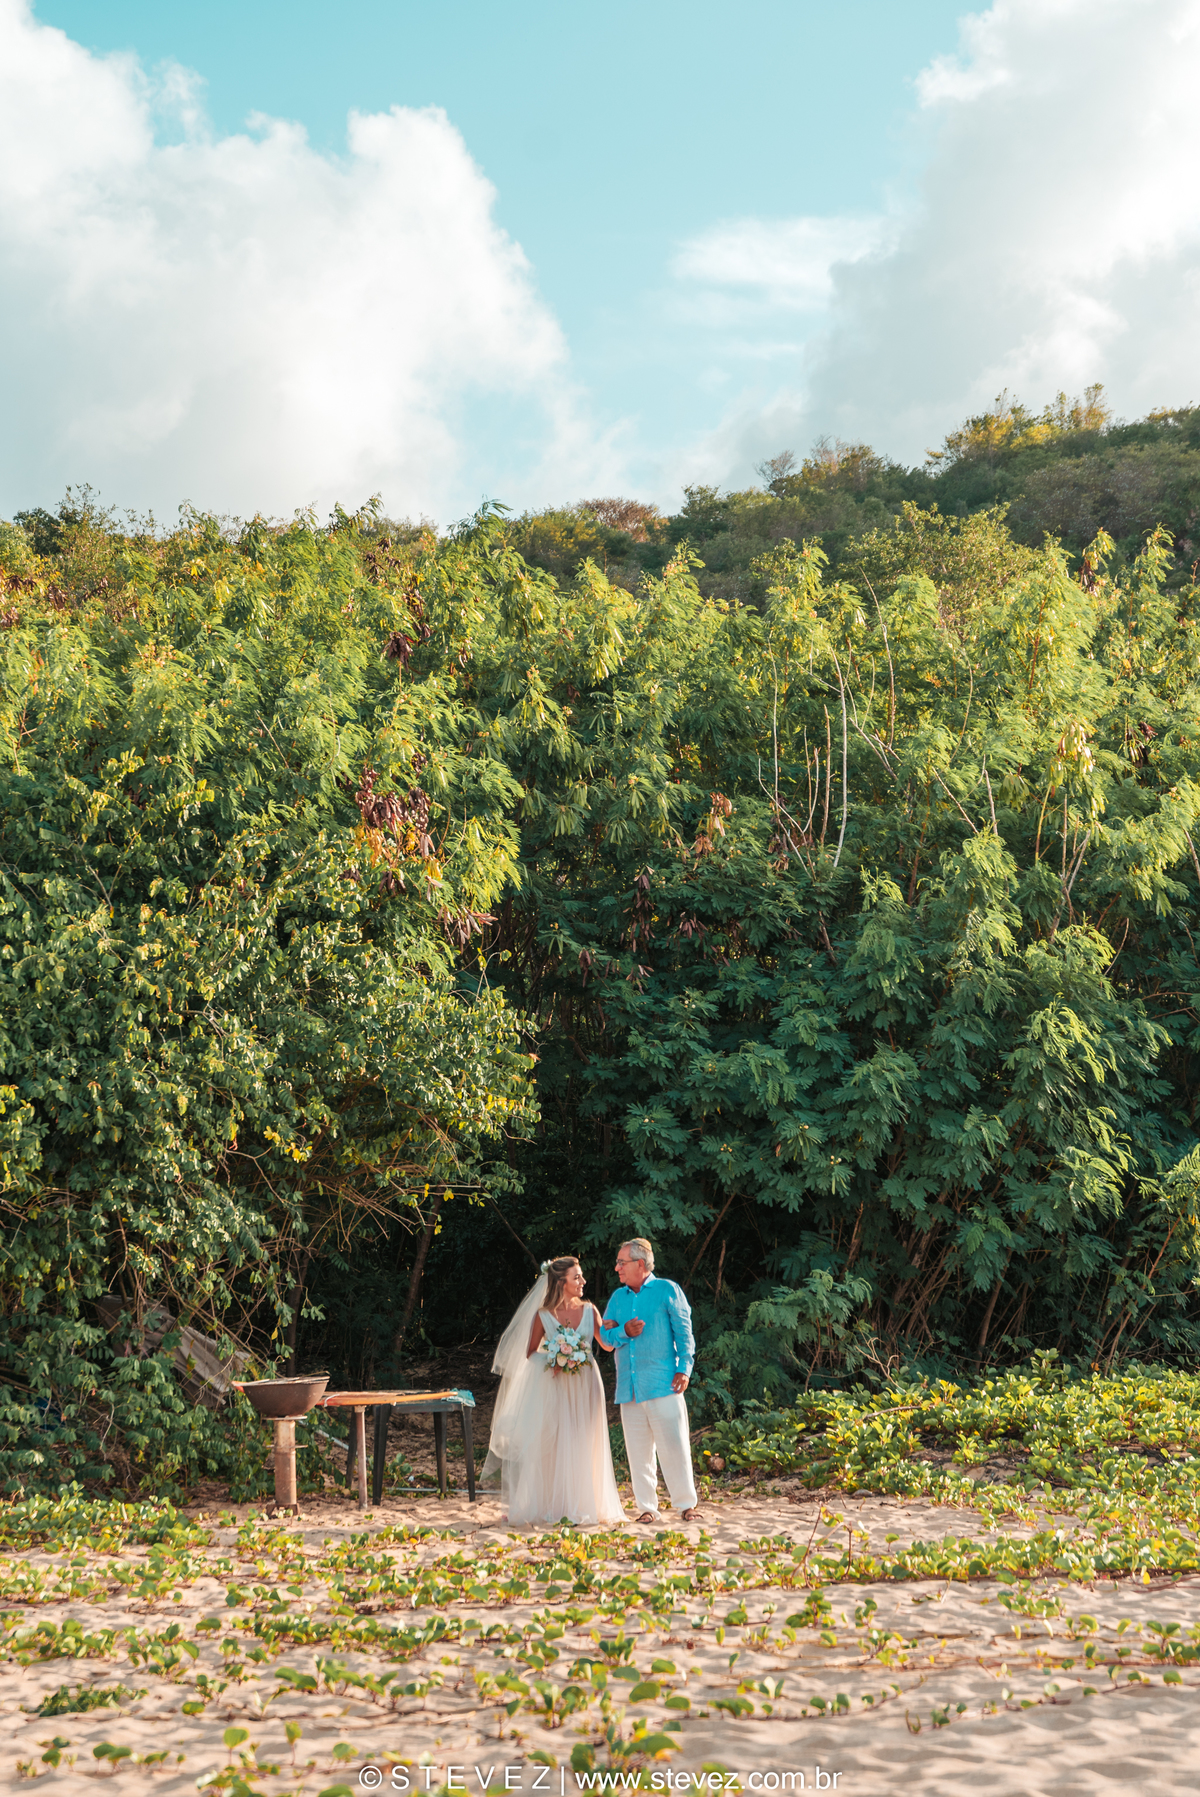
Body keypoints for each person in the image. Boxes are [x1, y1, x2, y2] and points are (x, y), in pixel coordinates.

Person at [480, 1254, 624, 1527]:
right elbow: (530, 1353)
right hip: (556, 1385)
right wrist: (555, 1357)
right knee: (555, 1442)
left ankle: (584, 1503)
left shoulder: (590, 1310)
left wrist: (619, 1330)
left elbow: (605, 1346)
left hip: (585, 1384)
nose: (583, 1281)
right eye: (577, 1277)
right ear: (561, 1282)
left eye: (581, 1276)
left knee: (584, 1440)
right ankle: (553, 1505)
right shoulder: (543, 1316)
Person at [599, 1238, 702, 1524]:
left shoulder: (667, 1290)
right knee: (638, 1451)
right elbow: (605, 1338)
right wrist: (623, 1332)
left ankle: (686, 1506)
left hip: (663, 1384)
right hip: (629, 1388)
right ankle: (647, 1508)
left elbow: (684, 1333)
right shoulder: (618, 1299)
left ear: (640, 1264)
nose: (617, 1267)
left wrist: (685, 1368)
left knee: (675, 1446)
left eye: (622, 1262)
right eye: (618, 1262)